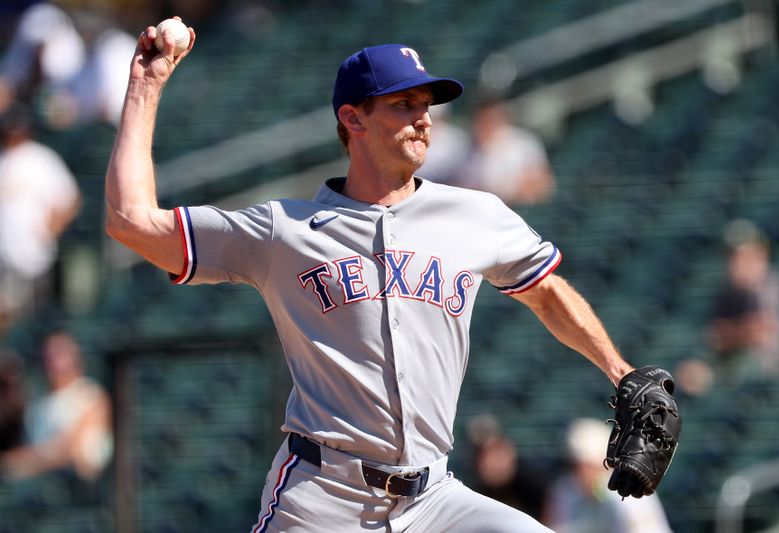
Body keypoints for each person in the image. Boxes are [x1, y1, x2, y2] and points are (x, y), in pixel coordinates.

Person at [104, 26, 647, 532]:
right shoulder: (282, 231)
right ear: (354, 119)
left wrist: (621, 372)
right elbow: (131, 222)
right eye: (403, 104)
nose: (424, 118)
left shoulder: (476, 215)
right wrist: (145, 85)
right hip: (322, 496)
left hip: (435, 497)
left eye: (426, 105)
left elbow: (548, 293)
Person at [0, 102, 81, 333]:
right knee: (9, 322)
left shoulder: (40, 158)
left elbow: (70, 199)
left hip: (36, 258)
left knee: (36, 322)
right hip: (4, 260)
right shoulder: (2, 159)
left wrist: (50, 230)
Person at [0, 2, 137, 128]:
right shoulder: (44, 19)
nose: (88, 24)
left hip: (107, 131)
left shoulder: (116, 50)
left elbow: (108, 114)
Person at [0, 330, 113, 481]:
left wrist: (18, 461)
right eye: (49, 355)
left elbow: (71, 450)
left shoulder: (90, 394)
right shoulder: (37, 402)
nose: (53, 361)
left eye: (60, 353)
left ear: (75, 357)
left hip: (78, 486)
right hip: (38, 483)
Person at [544, 418, 673, 533]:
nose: (579, 471)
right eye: (574, 465)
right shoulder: (565, 490)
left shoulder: (630, 491)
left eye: (585, 465)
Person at [706, 219, 779, 381]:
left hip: (765, 369)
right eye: (732, 255)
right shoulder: (727, 289)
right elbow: (714, 337)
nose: (736, 262)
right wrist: (742, 332)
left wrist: (731, 334)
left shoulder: (769, 281)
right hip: (730, 365)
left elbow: (762, 332)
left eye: (742, 255)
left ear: (760, 252)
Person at [453, 98, 556, 205]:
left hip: (520, 210)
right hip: (483, 210)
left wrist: (512, 189)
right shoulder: (465, 151)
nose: (488, 124)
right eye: (483, 119)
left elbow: (545, 184)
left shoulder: (523, 142)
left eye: (492, 118)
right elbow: (460, 188)